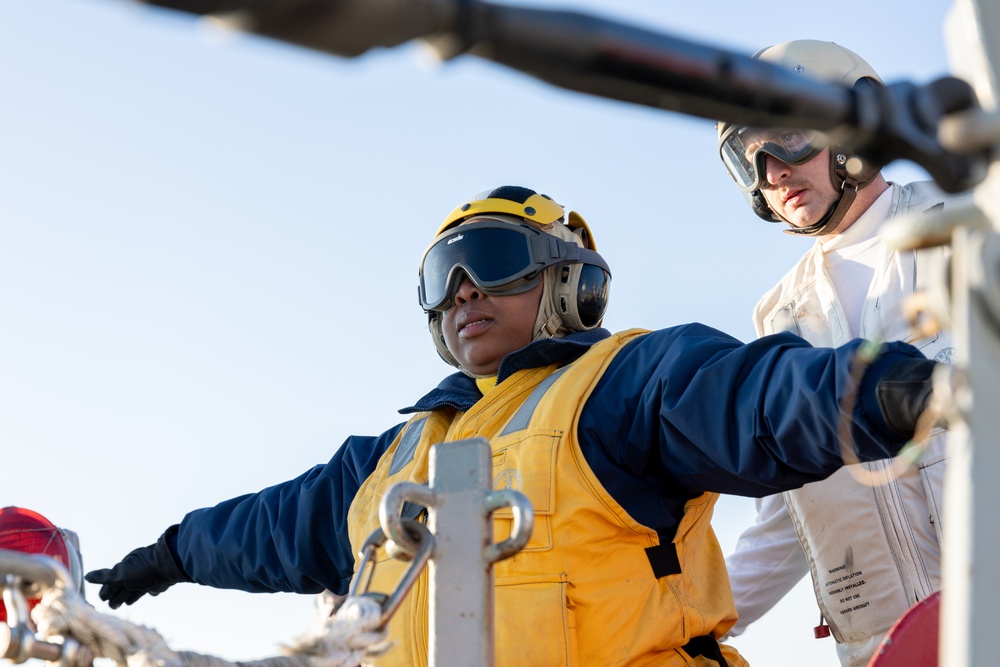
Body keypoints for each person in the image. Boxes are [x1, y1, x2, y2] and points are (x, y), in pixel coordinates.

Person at [86, 185, 938, 667]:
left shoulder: (624, 384)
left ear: (569, 282)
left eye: (491, 262)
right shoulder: (397, 457)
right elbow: (273, 526)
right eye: (441, 275)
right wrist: (172, 552)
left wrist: (893, 391)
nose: (464, 290)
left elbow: (755, 395)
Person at [716, 40, 966, 667]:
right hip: (888, 651)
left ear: (858, 126)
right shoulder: (777, 318)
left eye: (788, 138)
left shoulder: (968, 233)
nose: (773, 169)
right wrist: (684, 619)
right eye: (752, 158)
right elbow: (785, 522)